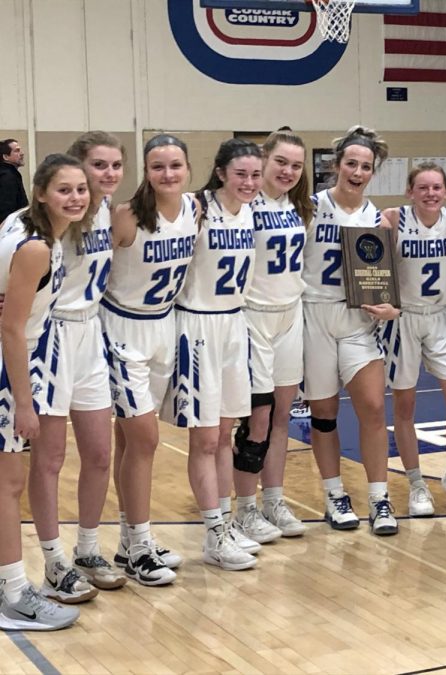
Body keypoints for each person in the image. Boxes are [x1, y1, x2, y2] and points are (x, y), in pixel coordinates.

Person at [27, 133, 128, 604]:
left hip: (92, 334)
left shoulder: (107, 211)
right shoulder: (38, 226)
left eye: (114, 166)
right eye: (96, 166)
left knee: (99, 453)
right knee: (50, 459)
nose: (104, 175)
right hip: (50, 335)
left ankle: (88, 549)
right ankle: (52, 560)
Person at [161, 139, 261, 571]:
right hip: (197, 326)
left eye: (255, 175)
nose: (250, 182)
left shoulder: (251, 211)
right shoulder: (195, 208)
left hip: (234, 324)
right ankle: (213, 533)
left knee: (224, 434)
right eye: (241, 174)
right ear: (220, 172)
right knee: (203, 438)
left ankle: (224, 522)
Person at [103, 134, 196, 586]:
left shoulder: (195, 211)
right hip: (123, 332)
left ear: (188, 169)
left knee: (130, 443)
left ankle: (129, 541)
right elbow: (87, 272)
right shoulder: (125, 217)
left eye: (175, 165)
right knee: (145, 440)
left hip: (164, 328)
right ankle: (140, 545)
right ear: (146, 170)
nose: (167, 174)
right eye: (158, 167)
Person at [0, 154, 86, 631]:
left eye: (80, 189)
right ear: (40, 192)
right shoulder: (35, 247)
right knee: (8, 485)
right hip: (8, 362)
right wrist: (26, 402)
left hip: (14, 355)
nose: (75, 197)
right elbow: (12, 329)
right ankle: (13, 596)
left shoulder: (18, 223)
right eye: (64, 190)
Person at [302, 125, 398, 536]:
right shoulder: (308, 207)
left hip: (358, 322)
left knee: (373, 409)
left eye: (366, 167)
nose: (357, 172)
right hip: (315, 318)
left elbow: (389, 281)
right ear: (336, 165)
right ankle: (334, 494)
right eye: (351, 163)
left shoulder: (376, 218)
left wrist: (392, 306)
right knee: (323, 414)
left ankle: (380, 498)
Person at [230, 130, 314, 543]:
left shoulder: (298, 207)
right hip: (251, 317)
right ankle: (244, 508)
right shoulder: (242, 201)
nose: (288, 171)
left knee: (283, 414)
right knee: (256, 419)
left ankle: (274, 500)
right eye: (281, 161)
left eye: (296, 165)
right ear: (264, 158)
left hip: (289, 315)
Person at [380, 162, 446, 516]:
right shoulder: (392, 218)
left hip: (441, 318)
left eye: (436, 187)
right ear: (410, 192)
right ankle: (417, 483)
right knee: (404, 408)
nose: (430, 193)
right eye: (423, 188)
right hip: (403, 320)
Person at [0, 139, 28, 224]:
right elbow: (7, 209)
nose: (22, 154)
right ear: (6, 157)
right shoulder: (8, 176)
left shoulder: (8, 174)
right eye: (17, 151)